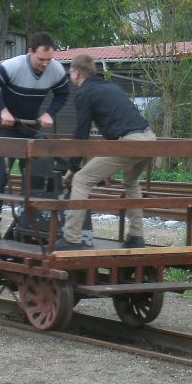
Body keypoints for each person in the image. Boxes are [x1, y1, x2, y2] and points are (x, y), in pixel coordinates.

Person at [55, 53, 156, 251]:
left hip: (129, 142)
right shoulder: (111, 87)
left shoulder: (84, 93)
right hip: (150, 139)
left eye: (70, 73)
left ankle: (71, 238)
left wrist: (72, 168)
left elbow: (81, 134)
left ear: (75, 73)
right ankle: (136, 236)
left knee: (81, 180)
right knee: (131, 182)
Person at [0, 32, 70, 237]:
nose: (45, 64)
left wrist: (49, 113)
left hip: (30, 127)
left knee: (36, 173)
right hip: (4, 127)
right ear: (30, 52)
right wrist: (1, 111)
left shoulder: (55, 70)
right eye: (41, 59)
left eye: (49, 60)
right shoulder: (14, 66)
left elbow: (63, 93)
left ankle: (27, 222)